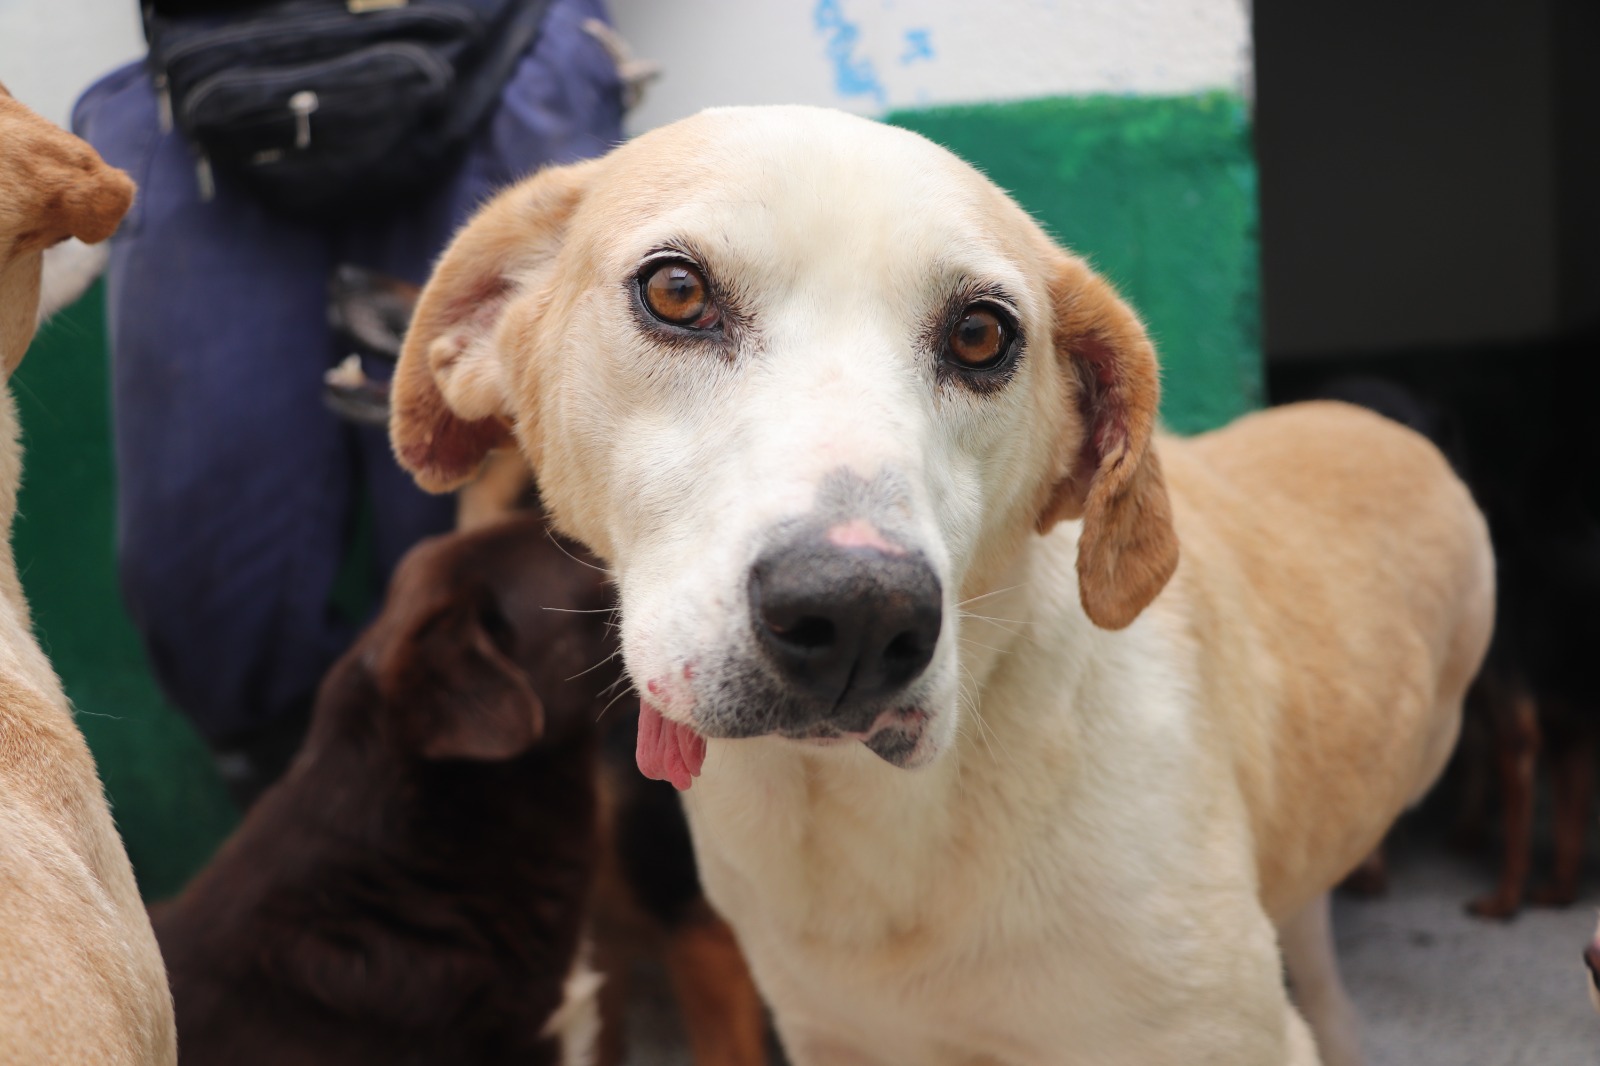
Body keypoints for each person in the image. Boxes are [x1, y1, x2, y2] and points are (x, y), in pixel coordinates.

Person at [72, 0, 624, 803]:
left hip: (500, 49)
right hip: (211, 77)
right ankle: (301, 794)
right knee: (205, 571)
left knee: (500, 566)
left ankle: (489, 794)